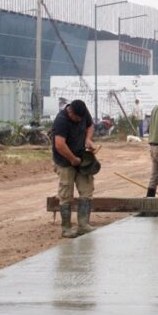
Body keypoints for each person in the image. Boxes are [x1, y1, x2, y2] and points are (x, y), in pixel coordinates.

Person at [51, 98, 97, 238]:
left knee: (86, 190)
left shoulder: (82, 112)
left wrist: (88, 139)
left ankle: (83, 225)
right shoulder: (61, 120)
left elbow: (90, 125)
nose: (79, 120)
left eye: (80, 118)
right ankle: (66, 228)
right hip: (65, 161)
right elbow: (59, 144)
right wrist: (72, 159)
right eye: (76, 118)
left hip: (81, 158)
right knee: (66, 194)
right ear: (70, 111)